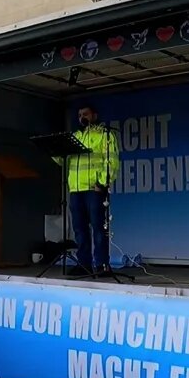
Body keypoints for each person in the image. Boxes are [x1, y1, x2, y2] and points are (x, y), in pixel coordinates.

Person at [51, 103, 121, 277]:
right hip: (75, 189)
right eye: (80, 114)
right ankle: (84, 265)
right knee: (80, 230)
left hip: (94, 188)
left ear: (94, 116)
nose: (82, 117)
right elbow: (63, 162)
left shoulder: (104, 135)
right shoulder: (74, 136)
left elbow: (111, 160)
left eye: (86, 114)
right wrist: (54, 148)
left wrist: (103, 183)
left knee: (99, 228)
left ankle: (102, 265)